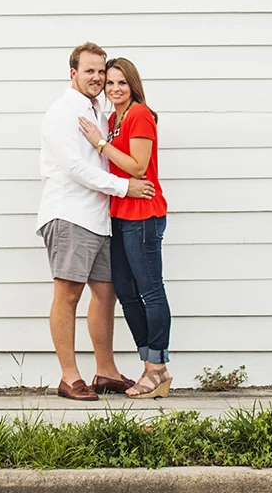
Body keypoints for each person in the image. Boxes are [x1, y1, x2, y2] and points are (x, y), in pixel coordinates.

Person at [39, 42, 158, 401]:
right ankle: (69, 377)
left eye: (101, 71)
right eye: (89, 71)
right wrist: (125, 187)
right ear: (73, 73)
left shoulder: (100, 113)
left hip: (99, 217)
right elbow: (76, 168)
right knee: (68, 293)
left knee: (106, 294)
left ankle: (105, 372)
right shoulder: (62, 113)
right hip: (70, 214)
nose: (97, 77)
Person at [81, 57, 170, 398]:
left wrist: (99, 143)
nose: (115, 88)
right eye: (109, 83)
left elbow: (137, 167)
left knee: (150, 291)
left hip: (143, 215)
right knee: (126, 292)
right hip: (119, 214)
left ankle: (156, 367)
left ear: (132, 84)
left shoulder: (138, 115)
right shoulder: (115, 118)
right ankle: (149, 364)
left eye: (121, 82)